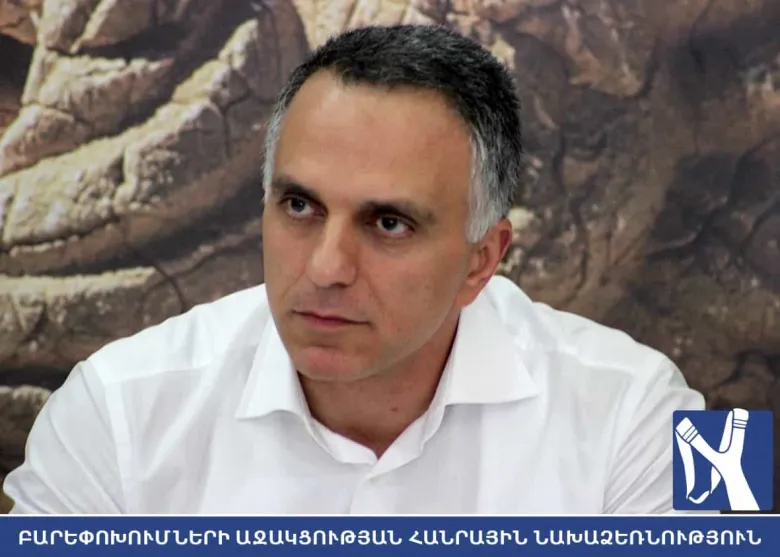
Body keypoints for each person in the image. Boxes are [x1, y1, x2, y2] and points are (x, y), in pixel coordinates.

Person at [3, 24, 705, 514]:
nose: (326, 267)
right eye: (300, 206)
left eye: (388, 223)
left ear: (483, 259)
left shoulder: (651, 408)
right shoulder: (110, 408)